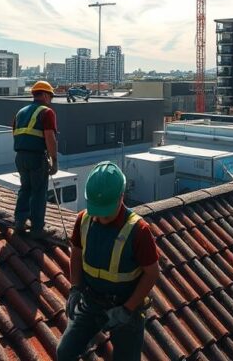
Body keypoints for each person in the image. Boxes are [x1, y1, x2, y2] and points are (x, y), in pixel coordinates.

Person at [57, 162, 159, 361]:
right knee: (64, 352)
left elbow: (152, 273)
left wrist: (127, 309)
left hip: (126, 307)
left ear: (121, 197)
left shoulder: (138, 231)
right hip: (91, 301)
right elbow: (76, 254)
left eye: (107, 211)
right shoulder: (84, 220)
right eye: (97, 210)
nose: (101, 217)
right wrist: (75, 288)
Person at [12, 81, 59, 238]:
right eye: (50, 97)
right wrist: (54, 160)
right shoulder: (46, 112)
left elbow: (16, 134)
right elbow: (50, 137)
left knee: (25, 188)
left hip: (20, 157)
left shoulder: (20, 112)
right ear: (45, 95)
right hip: (36, 157)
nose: (50, 100)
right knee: (39, 192)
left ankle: (19, 222)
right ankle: (37, 228)